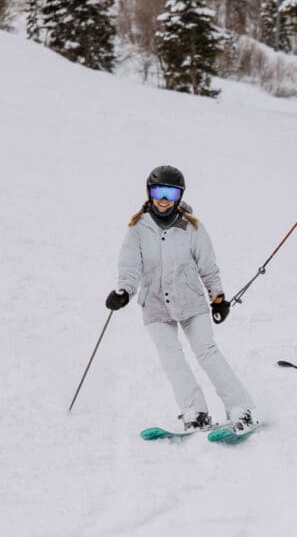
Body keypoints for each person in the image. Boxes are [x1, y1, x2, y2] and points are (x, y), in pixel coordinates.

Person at [105, 165, 257, 432]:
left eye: (171, 194)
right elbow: (129, 268)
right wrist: (123, 292)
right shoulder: (137, 228)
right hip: (154, 304)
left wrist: (218, 299)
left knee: (207, 352)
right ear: (149, 193)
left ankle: (240, 407)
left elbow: (208, 267)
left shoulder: (192, 227)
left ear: (180, 196)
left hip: (190, 301)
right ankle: (195, 411)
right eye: (159, 192)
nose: (164, 200)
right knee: (171, 358)